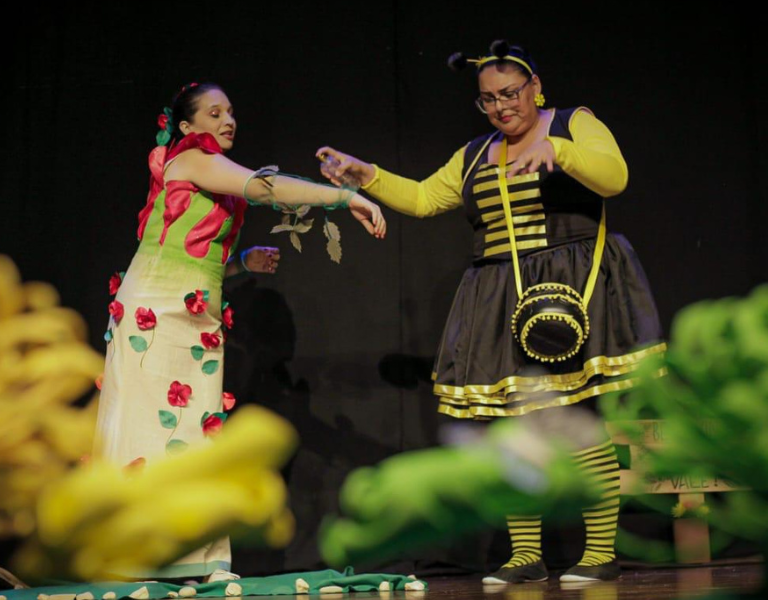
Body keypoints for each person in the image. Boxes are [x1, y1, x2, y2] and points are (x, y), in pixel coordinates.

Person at [317, 41, 663, 583]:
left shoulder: (574, 123)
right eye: (488, 100)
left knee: (577, 421)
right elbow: (427, 198)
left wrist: (561, 153)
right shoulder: (476, 153)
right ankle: (525, 555)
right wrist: (368, 177)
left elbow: (614, 177)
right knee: (510, 425)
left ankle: (600, 552)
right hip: (499, 294)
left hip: (572, 287)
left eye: (510, 94)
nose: (501, 107)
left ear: (534, 86)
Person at [93, 82, 386, 582]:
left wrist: (240, 262)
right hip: (157, 311)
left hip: (194, 315)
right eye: (214, 112)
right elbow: (267, 188)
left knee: (197, 433)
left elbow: (192, 247)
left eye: (230, 111)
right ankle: (133, 555)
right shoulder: (190, 158)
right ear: (187, 127)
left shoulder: (207, 172)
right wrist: (343, 197)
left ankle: (203, 559)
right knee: (152, 430)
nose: (228, 120)